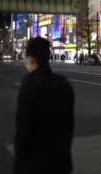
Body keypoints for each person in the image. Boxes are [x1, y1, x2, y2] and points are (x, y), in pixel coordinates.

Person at [14, 37, 74, 174]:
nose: (25, 62)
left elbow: (24, 129)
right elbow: (69, 127)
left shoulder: (29, 84)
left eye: (26, 57)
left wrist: (19, 166)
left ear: (32, 59)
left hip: (35, 163)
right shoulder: (64, 84)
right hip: (60, 161)